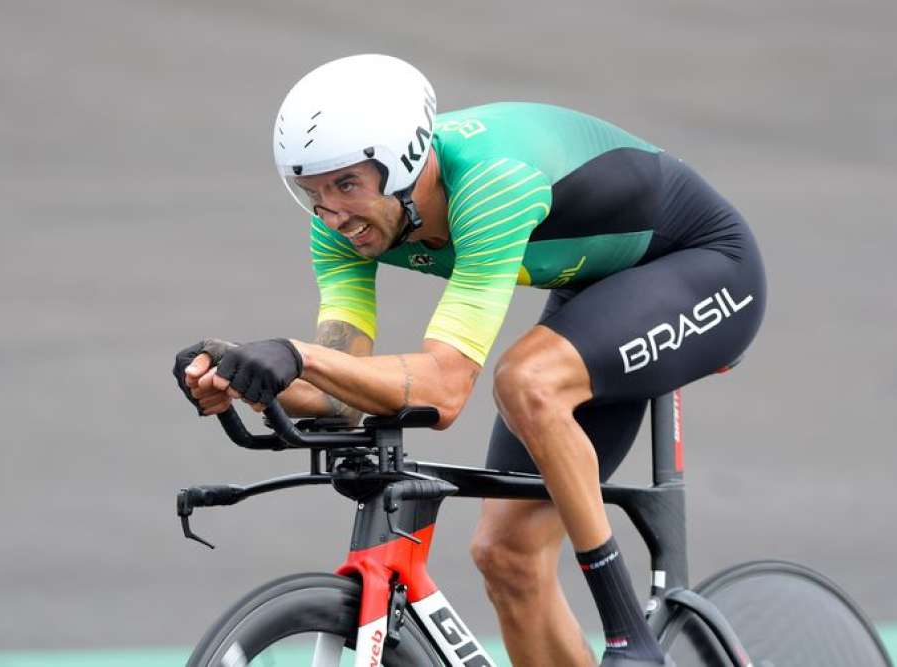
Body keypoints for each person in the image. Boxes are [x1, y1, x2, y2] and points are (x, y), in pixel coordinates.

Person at [173, 54, 765, 667]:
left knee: (528, 379)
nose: (332, 214)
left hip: (706, 269)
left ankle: (627, 636)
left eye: (346, 184)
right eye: (312, 192)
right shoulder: (337, 226)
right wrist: (247, 375)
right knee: (508, 560)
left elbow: (445, 390)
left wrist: (298, 356)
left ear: (405, 161)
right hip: (597, 288)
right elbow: (341, 396)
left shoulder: (489, 184)